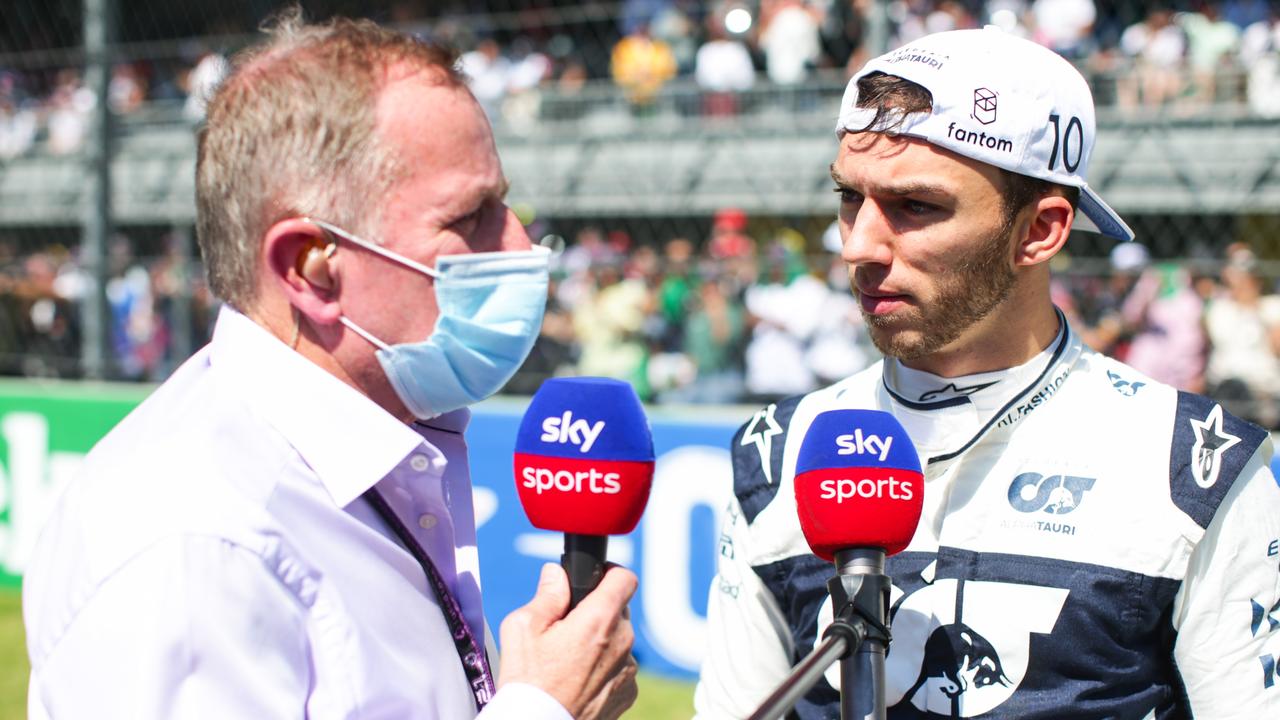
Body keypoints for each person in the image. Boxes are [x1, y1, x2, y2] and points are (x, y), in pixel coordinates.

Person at [23, 14, 638, 720]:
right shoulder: (196, 543)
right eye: (472, 217)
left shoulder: (353, 458)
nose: (523, 244)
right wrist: (542, 711)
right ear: (309, 269)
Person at [696, 26, 1280, 719]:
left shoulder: (1196, 467)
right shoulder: (773, 454)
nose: (857, 245)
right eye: (850, 197)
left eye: (916, 207)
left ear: (1040, 230)